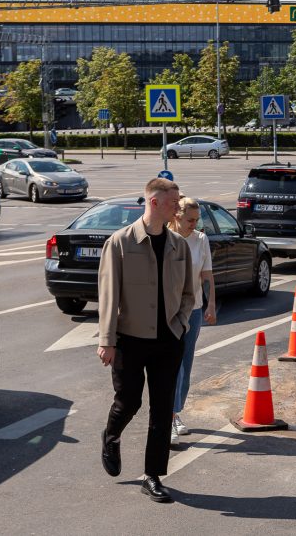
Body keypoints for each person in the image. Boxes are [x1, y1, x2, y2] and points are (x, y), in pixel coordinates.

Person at [97, 177, 195, 504]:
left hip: (169, 339)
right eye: (173, 202)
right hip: (129, 339)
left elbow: (187, 294)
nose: (178, 207)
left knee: (162, 406)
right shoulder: (120, 243)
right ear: (154, 203)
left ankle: (152, 476)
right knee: (129, 400)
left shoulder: (179, 245)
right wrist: (107, 340)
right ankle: (111, 435)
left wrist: (180, 324)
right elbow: (108, 295)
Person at [168, 196, 217, 446]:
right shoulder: (166, 238)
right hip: (169, 312)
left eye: (197, 220)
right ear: (176, 215)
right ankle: (169, 417)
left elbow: (207, 275)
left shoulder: (200, 239)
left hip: (194, 311)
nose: (194, 224)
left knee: (185, 366)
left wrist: (210, 304)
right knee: (171, 365)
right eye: (190, 219)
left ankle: (176, 413)